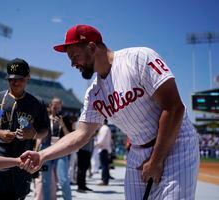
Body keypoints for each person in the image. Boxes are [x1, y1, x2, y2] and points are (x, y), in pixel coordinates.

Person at [19, 24, 200, 199]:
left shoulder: (138, 58)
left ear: (91, 47)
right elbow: (80, 135)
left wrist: (156, 160)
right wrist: (42, 155)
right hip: (138, 149)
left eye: (75, 56)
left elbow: (174, 107)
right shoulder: (94, 93)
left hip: (175, 141)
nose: (73, 64)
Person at [0, 58, 49, 200]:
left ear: (28, 78)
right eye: (11, 79)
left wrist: (34, 134)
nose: (15, 82)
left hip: (22, 166)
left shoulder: (37, 103)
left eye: (20, 79)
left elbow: (45, 130)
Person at [35, 97, 72, 200]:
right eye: (54, 105)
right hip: (46, 149)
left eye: (58, 105)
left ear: (61, 106)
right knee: (46, 180)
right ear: (50, 106)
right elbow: (39, 137)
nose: (55, 107)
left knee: (63, 180)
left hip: (61, 150)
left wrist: (62, 124)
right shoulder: (45, 118)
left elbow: (69, 136)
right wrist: (36, 150)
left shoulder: (65, 119)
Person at [95, 120, 112, 186]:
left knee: (104, 166)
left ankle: (104, 180)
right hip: (105, 148)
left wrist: (96, 144)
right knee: (105, 165)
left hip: (103, 148)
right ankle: (105, 180)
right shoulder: (107, 128)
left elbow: (101, 139)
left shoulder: (104, 128)